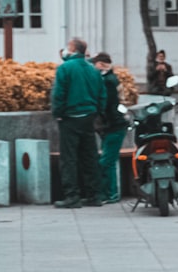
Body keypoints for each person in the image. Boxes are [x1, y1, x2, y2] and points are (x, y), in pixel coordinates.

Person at [51, 38, 106, 208]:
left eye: (68, 47)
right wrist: (97, 112)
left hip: (70, 117)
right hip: (88, 117)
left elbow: (59, 93)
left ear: (73, 49)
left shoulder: (64, 69)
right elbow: (101, 94)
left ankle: (72, 196)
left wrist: (58, 113)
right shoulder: (92, 70)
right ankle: (94, 195)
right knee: (89, 156)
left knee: (69, 158)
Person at [92, 53, 126, 204]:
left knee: (107, 161)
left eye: (96, 64)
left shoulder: (108, 81)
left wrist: (104, 123)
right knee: (108, 160)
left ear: (100, 64)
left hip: (113, 127)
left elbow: (109, 106)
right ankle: (110, 192)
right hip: (113, 126)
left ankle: (111, 193)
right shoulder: (110, 78)